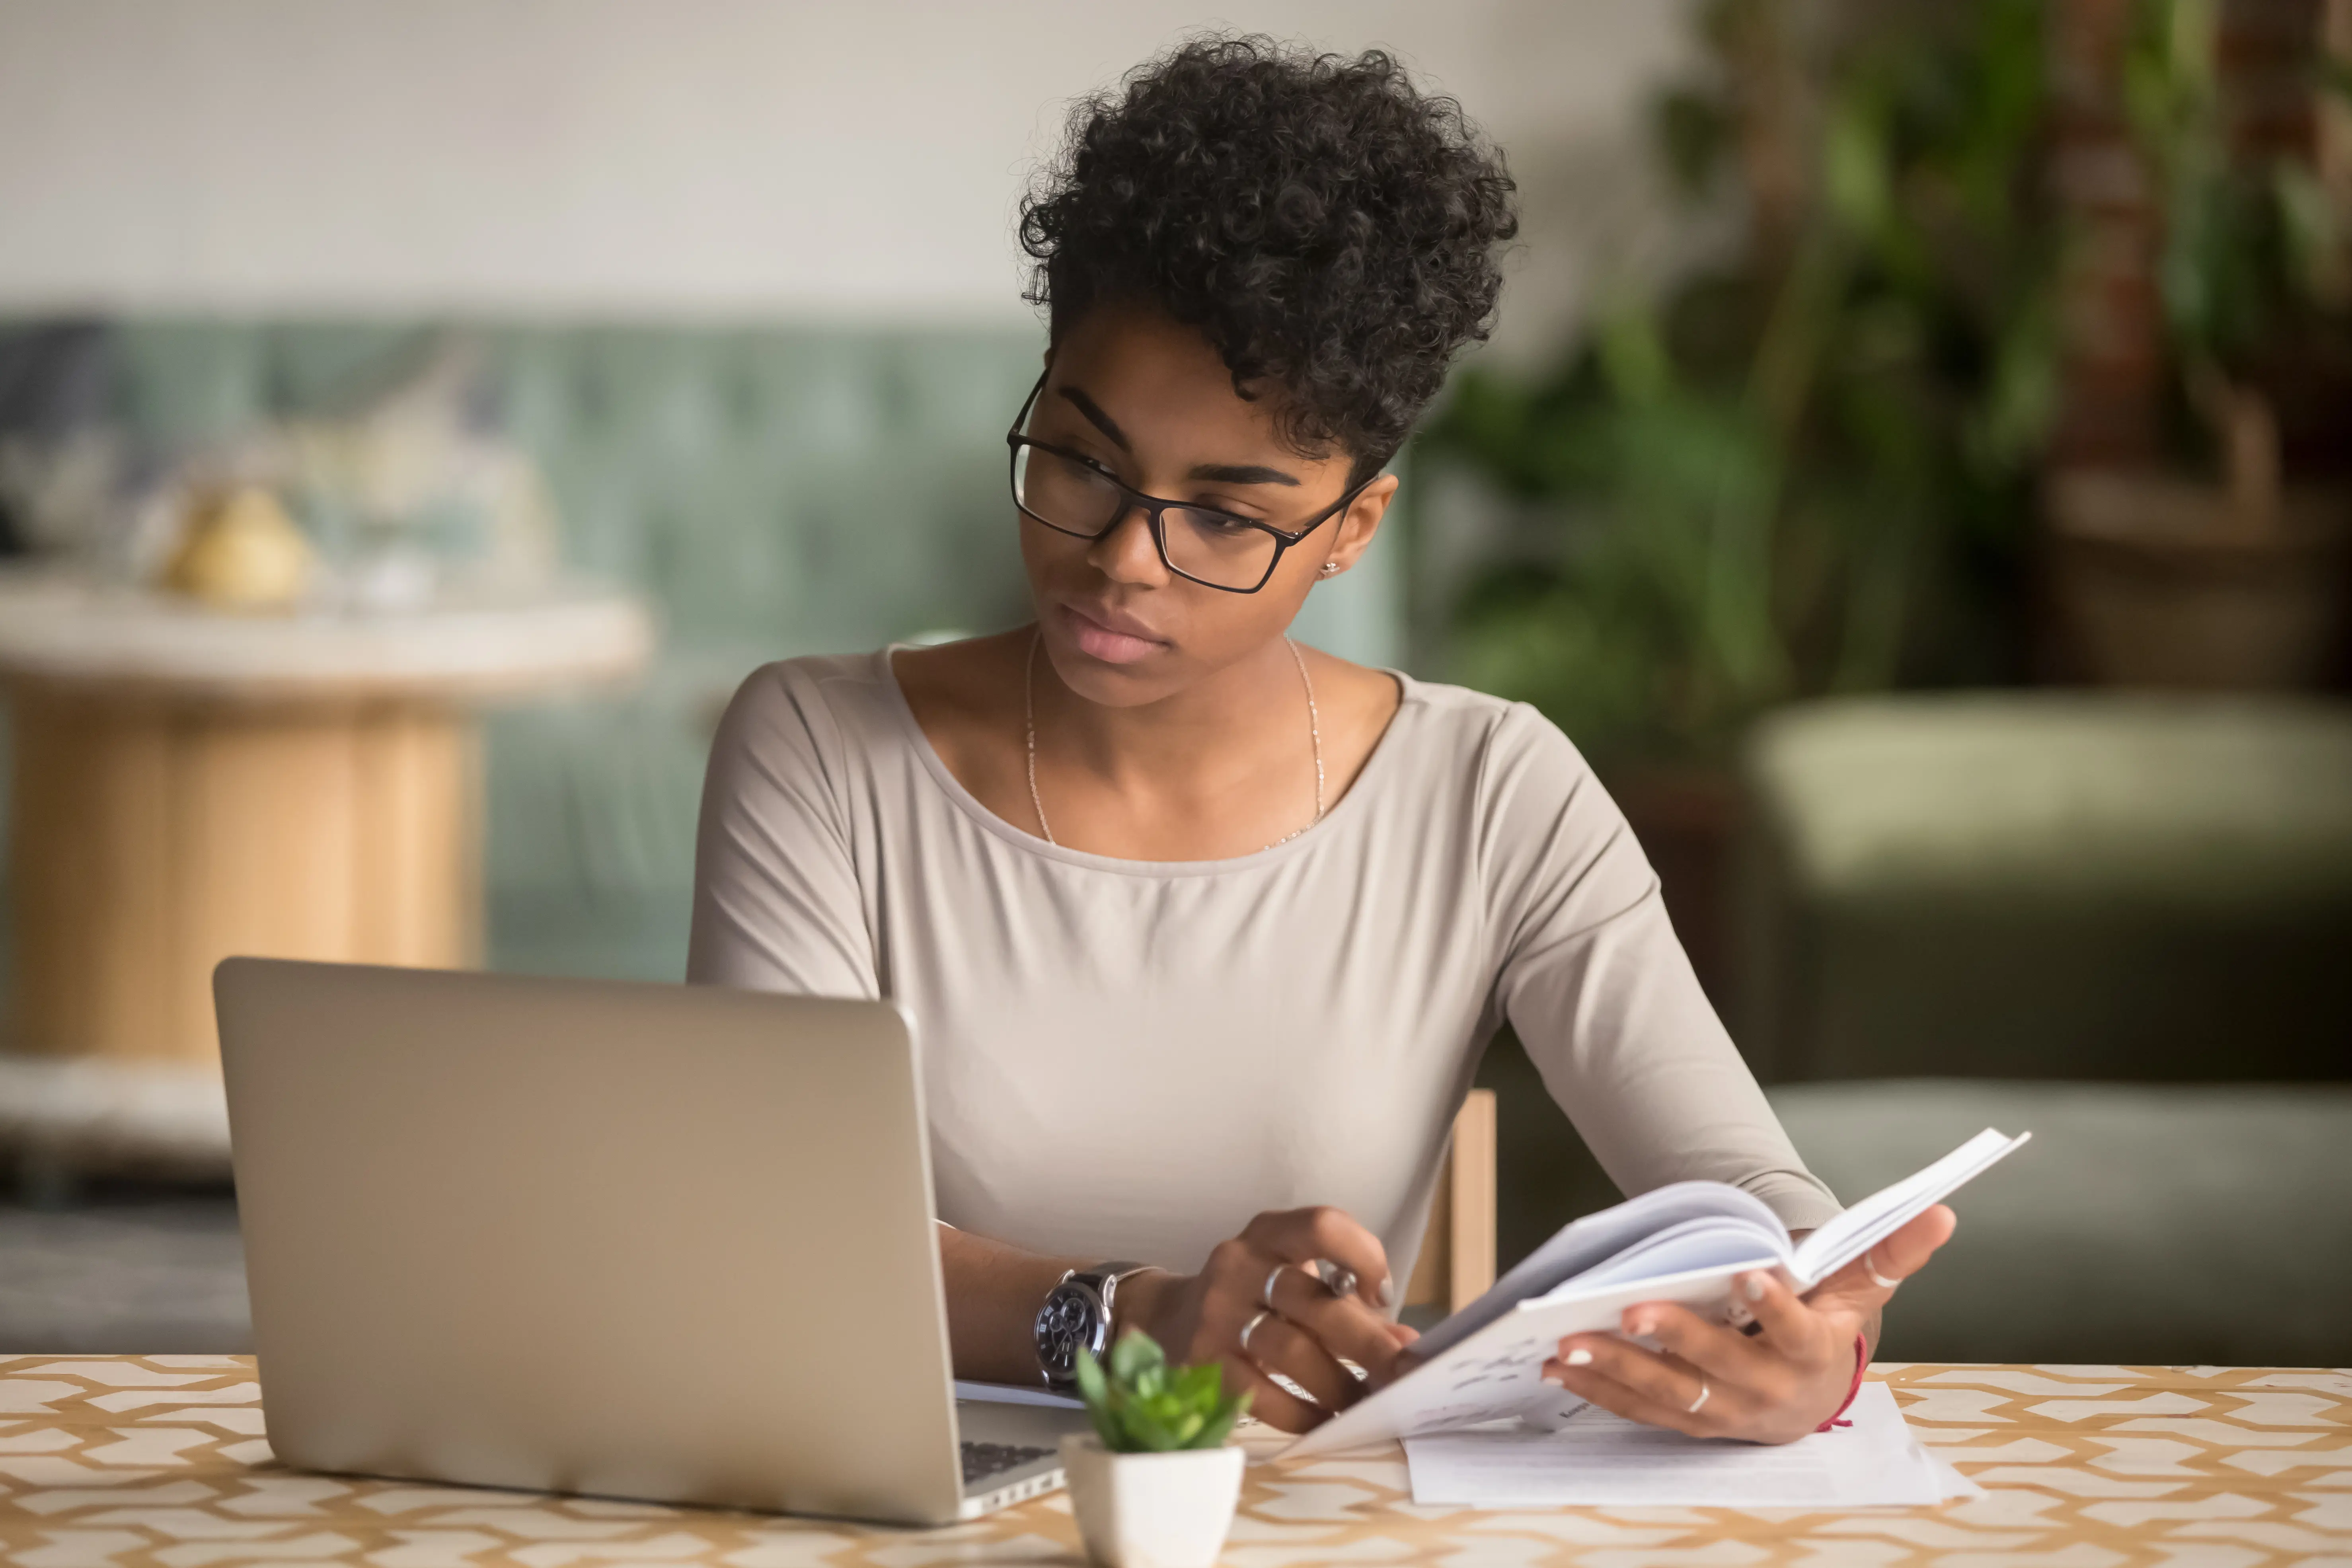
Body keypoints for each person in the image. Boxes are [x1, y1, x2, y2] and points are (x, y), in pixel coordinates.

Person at [689, 36, 1953, 1442]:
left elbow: (1741, 1185)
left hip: (1315, 1519)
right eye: (1080, 458)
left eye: (1225, 513)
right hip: (910, 1510)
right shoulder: (815, 748)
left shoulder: (1491, 791)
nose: (1123, 558)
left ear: (1352, 528)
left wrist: (1815, 1338)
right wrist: (1128, 1320)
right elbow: (771, 1227)